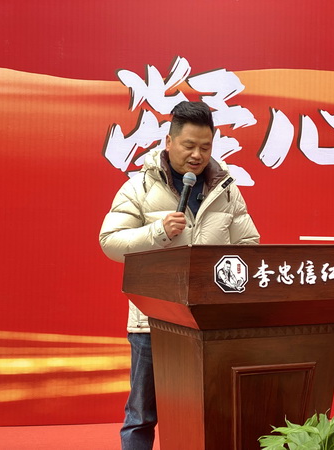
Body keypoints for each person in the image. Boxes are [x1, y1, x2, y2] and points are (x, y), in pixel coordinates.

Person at [99, 101, 260, 450]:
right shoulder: (139, 188)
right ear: (169, 142)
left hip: (211, 321)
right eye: (189, 145)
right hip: (153, 322)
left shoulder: (226, 189)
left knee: (211, 410)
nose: (197, 155)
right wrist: (157, 232)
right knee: (141, 415)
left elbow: (249, 245)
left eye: (205, 147)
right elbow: (110, 242)